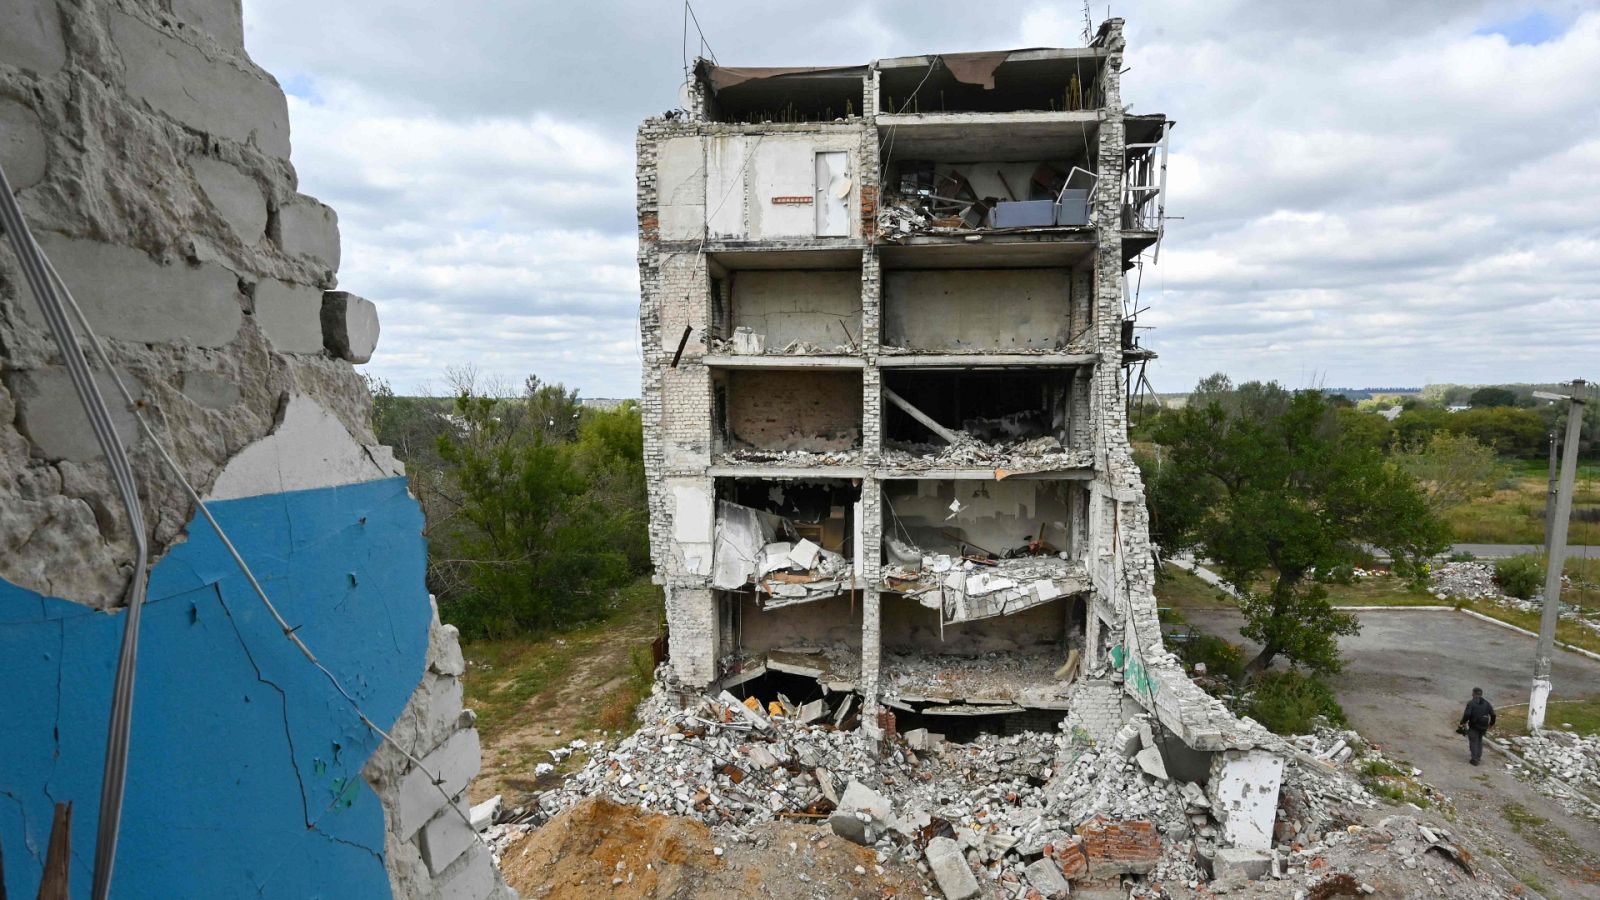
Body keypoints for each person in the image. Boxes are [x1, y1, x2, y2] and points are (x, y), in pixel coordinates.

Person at [1459, 687, 1496, 766]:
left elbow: (1467, 714)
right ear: (1481, 694)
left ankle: (1474, 759)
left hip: (1474, 725)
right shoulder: (1486, 703)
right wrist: (1491, 724)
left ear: (1473, 693)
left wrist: (1463, 722)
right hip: (1484, 726)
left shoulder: (1471, 703)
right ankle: (1478, 757)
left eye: (1472, 692)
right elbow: (1493, 714)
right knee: (1479, 741)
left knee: (1473, 741)